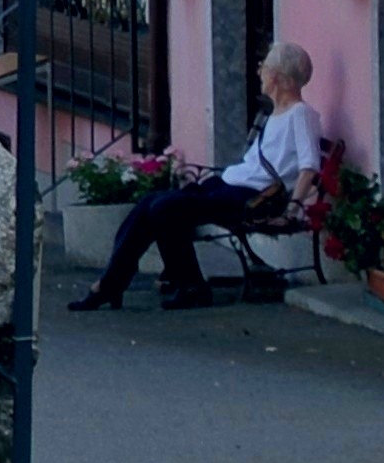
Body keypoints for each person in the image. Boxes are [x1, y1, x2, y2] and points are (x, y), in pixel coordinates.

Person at [70, 42, 322, 311]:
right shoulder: (275, 114)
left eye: (265, 67)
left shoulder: (301, 114)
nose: (260, 72)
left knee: (165, 208)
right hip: (228, 185)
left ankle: (189, 287)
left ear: (278, 78)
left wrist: (294, 208)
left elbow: (310, 164)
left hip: (253, 198)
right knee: (150, 203)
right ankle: (111, 285)